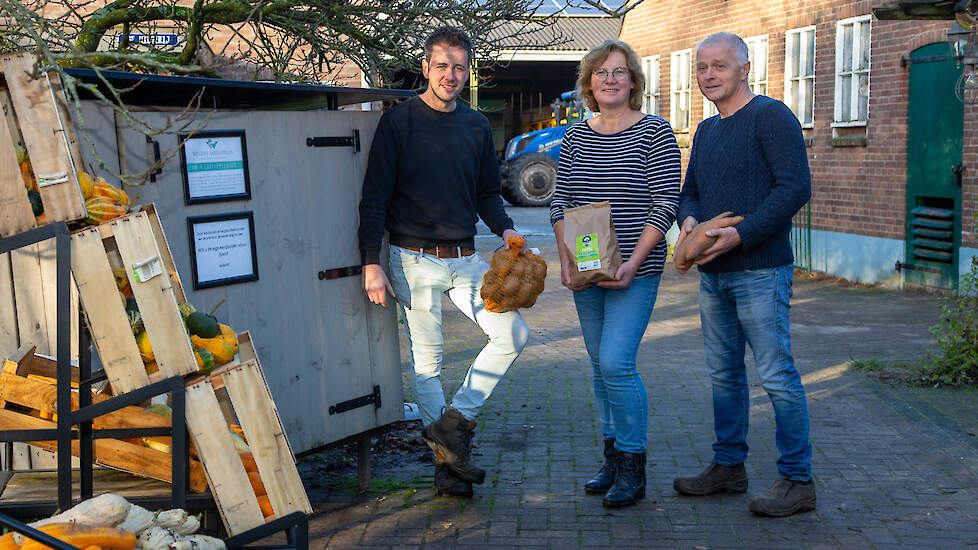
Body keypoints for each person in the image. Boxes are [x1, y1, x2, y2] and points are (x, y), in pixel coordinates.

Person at [358, 26, 530, 498]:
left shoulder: (475, 125)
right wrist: (370, 261)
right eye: (442, 66)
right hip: (411, 260)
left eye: (459, 67)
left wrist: (507, 228)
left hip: (466, 258)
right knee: (427, 363)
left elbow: (486, 194)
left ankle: (454, 423)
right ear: (425, 68)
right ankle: (451, 466)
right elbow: (373, 198)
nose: (450, 75)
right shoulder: (399, 123)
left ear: (467, 69)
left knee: (513, 333)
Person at [672, 32, 814, 517]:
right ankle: (729, 467)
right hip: (714, 275)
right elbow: (690, 190)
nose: (708, 75)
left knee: (776, 375)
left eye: (719, 66)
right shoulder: (707, 131)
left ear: (744, 68)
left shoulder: (770, 117)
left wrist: (744, 234)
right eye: (702, 67)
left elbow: (795, 187)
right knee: (724, 375)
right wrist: (689, 218)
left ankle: (798, 480)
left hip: (759, 271)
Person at [550, 40, 681, 508]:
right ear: (589, 82)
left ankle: (633, 464)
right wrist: (567, 261)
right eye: (601, 72)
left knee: (616, 363)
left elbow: (665, 204)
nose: (610, 79)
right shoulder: (575, 136)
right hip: (587, 268)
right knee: (598, 368)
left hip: (636, 270)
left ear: (633, 82)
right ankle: (610, 459)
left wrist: (630, 264)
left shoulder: (655, 133)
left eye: (619, 71)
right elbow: (561, 203)